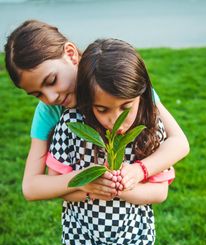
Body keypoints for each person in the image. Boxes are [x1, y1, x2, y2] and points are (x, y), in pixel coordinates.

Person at [45, 38, 184, 245]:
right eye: (103, 109)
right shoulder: (71, 129)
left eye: (125, 108)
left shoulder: (147, 129)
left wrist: (127, 186)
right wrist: (86, 183)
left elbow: (159, 194)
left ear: (141, 97)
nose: (115, 119)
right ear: (86, 101)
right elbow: (58, 187)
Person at [4, 19, 189, 203]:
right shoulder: (48, 111)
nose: (51, 98)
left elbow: (179, 142)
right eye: (37, 94)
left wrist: (140, 170)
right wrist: (83, 181)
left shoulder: (119, 87)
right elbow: (30, 187)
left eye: (51, 80)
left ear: (70, 54)